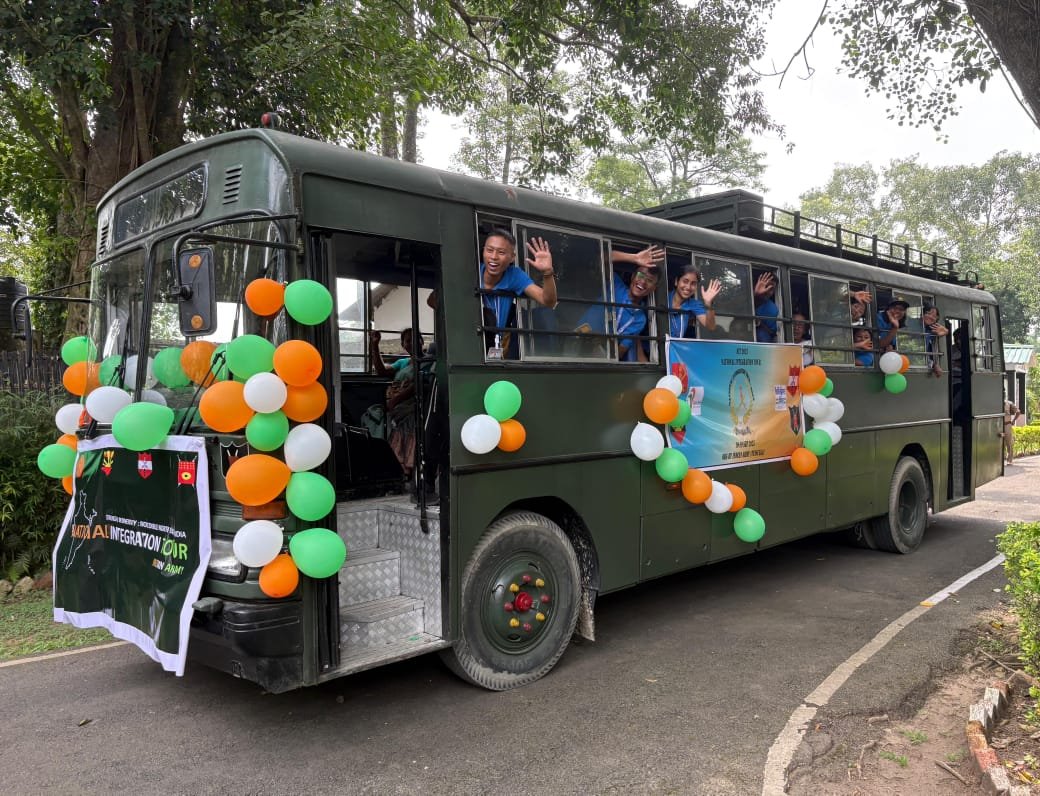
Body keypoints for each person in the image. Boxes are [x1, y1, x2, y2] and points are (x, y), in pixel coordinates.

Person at [479, 229, 557, 358]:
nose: (493, 257)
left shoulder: (514, 275)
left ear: (512, 257)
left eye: (501, 252)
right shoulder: (472, 271)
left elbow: (548, 301)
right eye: (489, 250)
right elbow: (434, 300)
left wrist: (547, 272)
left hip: (495, 348)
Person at [370, 328, 428, 483]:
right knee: (372, 416)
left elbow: (418, 384)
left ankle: (405, 468)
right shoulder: (402, 362)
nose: (412, 343)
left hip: (412, 405)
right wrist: (375, 345)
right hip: (395, 406)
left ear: (422, 341)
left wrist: (395, 401)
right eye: (408, 341)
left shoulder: (427, 362)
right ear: (403, 345)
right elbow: (381, 371)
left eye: (416, 339)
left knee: (408, 423)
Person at [667, 264, 722, 338]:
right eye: (685, 281)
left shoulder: (693, 304)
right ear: (676, 281)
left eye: (693, 283)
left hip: (675, 348)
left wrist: (708, 304)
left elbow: (711, 326)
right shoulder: (664, 297)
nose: (688, 287)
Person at [922, 303, 949, 377]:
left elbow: (929, 350)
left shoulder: (930, 330)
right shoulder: (913, 324)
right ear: (922, 313)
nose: (931, 317)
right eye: (928, 313)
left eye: (934, 316)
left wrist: (934, 364)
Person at [753, 270, 779, 342]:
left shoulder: (773, 309)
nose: (767, 290)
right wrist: (756, 295)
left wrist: (760, 323)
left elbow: (772, 333)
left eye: (771, 289)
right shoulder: (744, 297)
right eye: (765, 286)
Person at [1002, 399, 1021, 466]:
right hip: (998, 425)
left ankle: (1009, 460)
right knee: (999, 443)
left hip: (1007, 424)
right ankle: (1000, 460)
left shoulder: (1009, 403)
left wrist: (1013, 421)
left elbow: (1018, 412)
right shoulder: (996, 402)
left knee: (1009, 442)